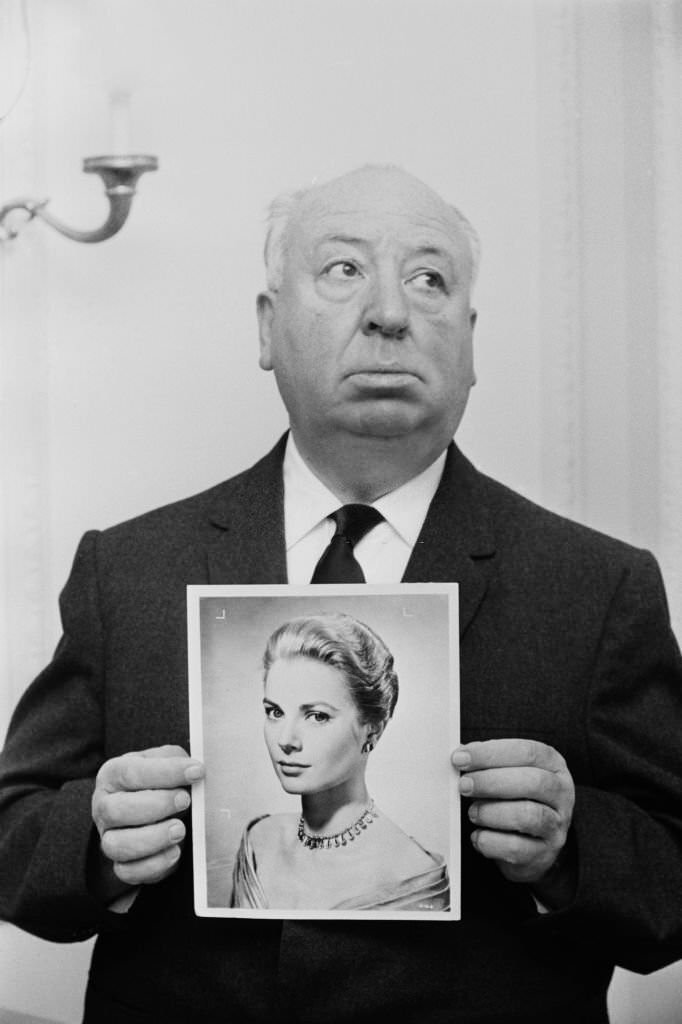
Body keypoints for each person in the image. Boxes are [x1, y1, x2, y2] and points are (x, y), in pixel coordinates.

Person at [0, 163, 681, 1023]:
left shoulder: (598, 586)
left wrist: (571, 845)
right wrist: (95, 840)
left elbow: (672, 888)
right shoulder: (128, 568)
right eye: (344, 269)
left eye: (429, 279)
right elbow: (11, 837)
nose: (391, 312)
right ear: (266, 326)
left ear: (469, 342)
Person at [231, 612, 450, 911]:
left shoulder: (411, 875)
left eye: (317, 716)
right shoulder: (259, 839)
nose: (286, 739)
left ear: (373, 728)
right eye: (275, 712)